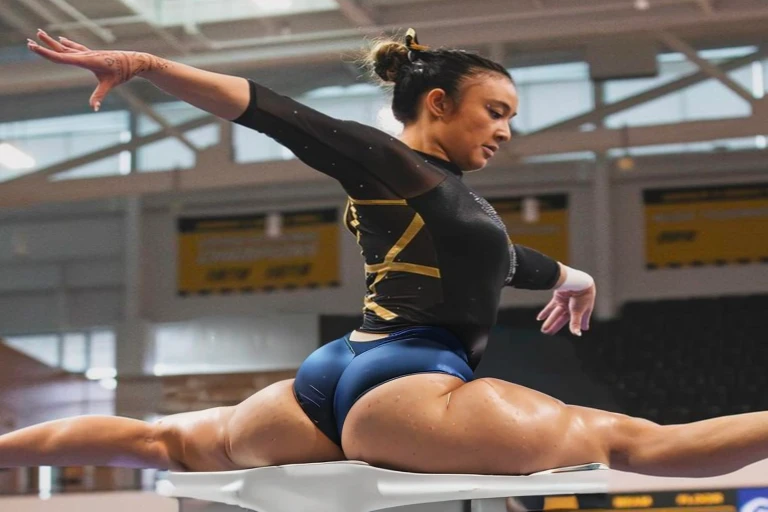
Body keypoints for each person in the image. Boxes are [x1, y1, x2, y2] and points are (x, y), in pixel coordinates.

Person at [7, 28, 767, 479]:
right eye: (495, 111)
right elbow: (278, 113)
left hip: (328, 378)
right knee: (635, 442)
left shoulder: (445, 199)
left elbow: (494, 261)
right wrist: (149, 67)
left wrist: (571, 275)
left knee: (161, 439)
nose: (504, 130)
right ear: (438, 104)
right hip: (411, 383)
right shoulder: (390, 161)